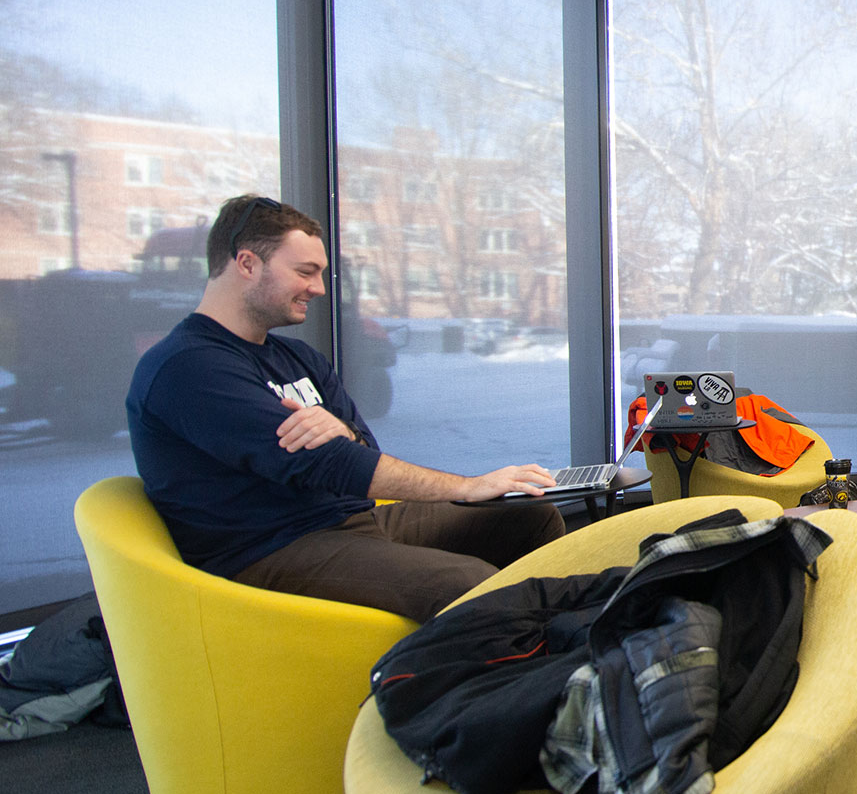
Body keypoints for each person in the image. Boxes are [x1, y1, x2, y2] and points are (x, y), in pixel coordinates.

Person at [125, 194, 566, 623]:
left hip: (349, 521)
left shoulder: (297, 358)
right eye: (305, 272)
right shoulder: (190, 366)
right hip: (269, 551)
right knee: (470, 583)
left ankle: (537, 644)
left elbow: (360, 449)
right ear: (246, 264)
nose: (318, 288)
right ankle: (502, 673)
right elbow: (331, 463)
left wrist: (340, 435)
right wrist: (467, 486)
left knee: (529, 515)